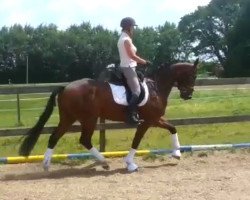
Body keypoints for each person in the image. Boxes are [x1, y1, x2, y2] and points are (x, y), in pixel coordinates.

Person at [117, 17, 151, 125]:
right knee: (136, 91)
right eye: (133, 27)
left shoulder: (124, 38)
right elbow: (132, 55)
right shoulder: (126, 40)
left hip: (130, 66)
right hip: (128, 67)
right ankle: (130, 115)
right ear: (128, 27)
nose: (133, 29)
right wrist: (144, 62)